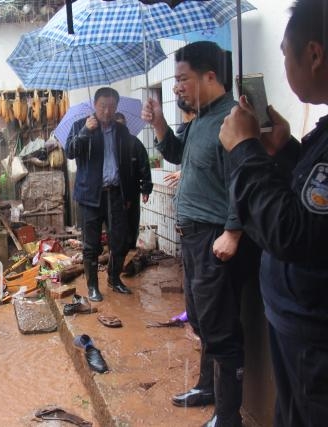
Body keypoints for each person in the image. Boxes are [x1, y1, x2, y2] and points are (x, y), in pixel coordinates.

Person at [219, 1, 328, 425]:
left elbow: (293, 234)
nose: (284, 63)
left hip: (316, 341)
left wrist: (246, 151)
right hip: (298, 323)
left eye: (285, 53)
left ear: (314, 55)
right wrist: (284, 152)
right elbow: (311, 205)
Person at [142, 41, 260, 427]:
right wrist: (158, 123)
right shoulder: (201, 118)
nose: (177, 87)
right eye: (176, 80)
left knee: (220, 326)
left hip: (215, 237)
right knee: (201, 317)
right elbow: (177, 155)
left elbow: (243, 181)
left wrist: (233, 231)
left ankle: (228, 417)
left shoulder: (232, 119)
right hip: (192, 237)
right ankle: (207, 387)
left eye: (182, 79)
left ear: (210, 76)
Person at [66, 87, 153, 301]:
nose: (107, 111)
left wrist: (143, 185)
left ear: (116, 107)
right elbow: (69, 151)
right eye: (103, 106)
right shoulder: (81, 125)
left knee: (119, 241)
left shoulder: (122, 132)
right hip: (90, 196)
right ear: (95, 106)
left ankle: (114, 279)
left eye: (111, 106)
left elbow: (137, 158)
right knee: (91, 244)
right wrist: (85, 131)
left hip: (116, 194)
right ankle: (93, 286)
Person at [113, 112, 154, 250]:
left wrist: (146, 189)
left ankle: (130, 252)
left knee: (131, 223)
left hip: (132, 191)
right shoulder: (108, 144)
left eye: (122, 125)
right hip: (113, 192)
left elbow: (144, 166)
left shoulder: (135, 143)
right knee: (115, 225)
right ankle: (117, 254)